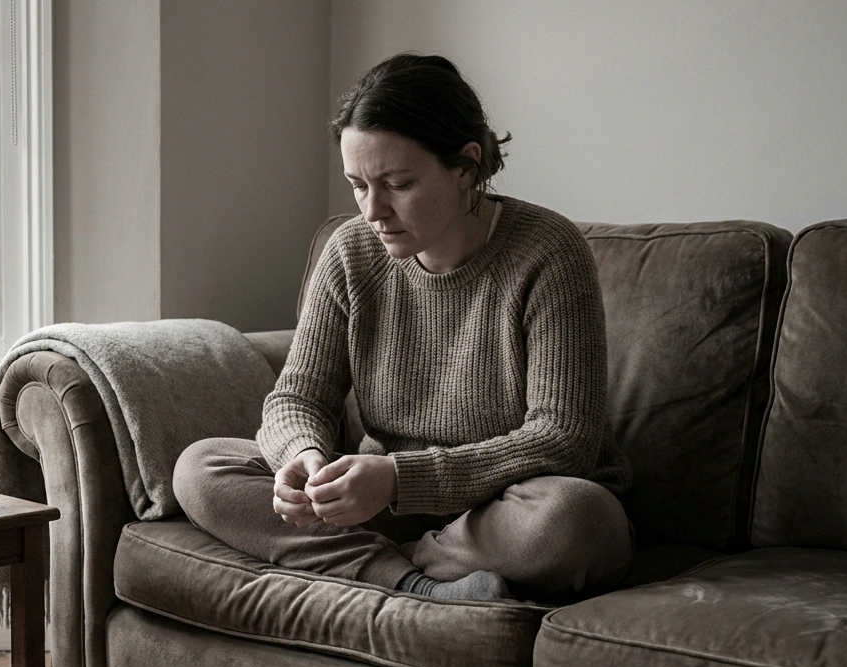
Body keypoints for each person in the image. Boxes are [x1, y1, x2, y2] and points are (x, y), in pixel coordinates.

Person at [173, 53, 633, 602]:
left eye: (397, 183)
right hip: (391, 510)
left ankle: (382, 566)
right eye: (358, 185)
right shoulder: (350, 253)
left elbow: (563, 440)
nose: (373, 210)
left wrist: (397, 478)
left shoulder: (548, 254)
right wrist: (303, 458)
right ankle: (417, 583)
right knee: (200, 468)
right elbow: (296, 396)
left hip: (502, 510)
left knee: (573, 522)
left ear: (467, 166)